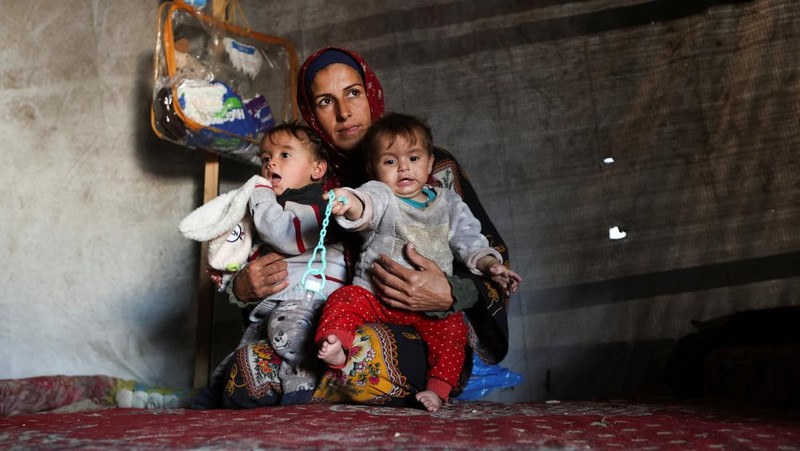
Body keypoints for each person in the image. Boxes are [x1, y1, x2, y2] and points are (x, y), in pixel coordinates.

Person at [219, 47, 512, 408]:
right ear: (311, 113)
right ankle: (311, 388)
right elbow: (255, 258)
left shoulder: (429, 169)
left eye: (353, 93)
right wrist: (242, 287)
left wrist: (452, 292)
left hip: (422, 330)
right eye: (326, 101)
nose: (344, 113)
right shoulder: (303, 176)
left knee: (365, 360)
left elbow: (491, 256)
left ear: (371, 94)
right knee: (245, 377)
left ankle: (322, 389)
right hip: (322, 322)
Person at [315, 113, 521, 411]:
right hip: (375, 297)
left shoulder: (449, 203)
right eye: (389, 162)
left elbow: (471, 242)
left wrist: (491, 265)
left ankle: (438, 389)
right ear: (372, 169)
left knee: (453, 332)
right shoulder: (382, 194)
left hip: (429, 309)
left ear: (428, 163)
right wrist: (346, 202)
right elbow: (365, 205)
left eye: (413, 158)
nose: (403, 168)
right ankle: (338, 343)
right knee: (344, 298)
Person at [185, 122, 348, 407]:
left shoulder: (320, 203)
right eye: (265, 158)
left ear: (317, 170)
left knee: (292, 337)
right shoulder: (273, 208)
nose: (271, 161)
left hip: (310, 300)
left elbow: (284, 236)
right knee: (244, 349)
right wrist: (230, 278)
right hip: (274, 305)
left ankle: (301, 389)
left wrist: (259, 195)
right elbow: (258, 253)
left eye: (285, 155)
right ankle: (213, 393)